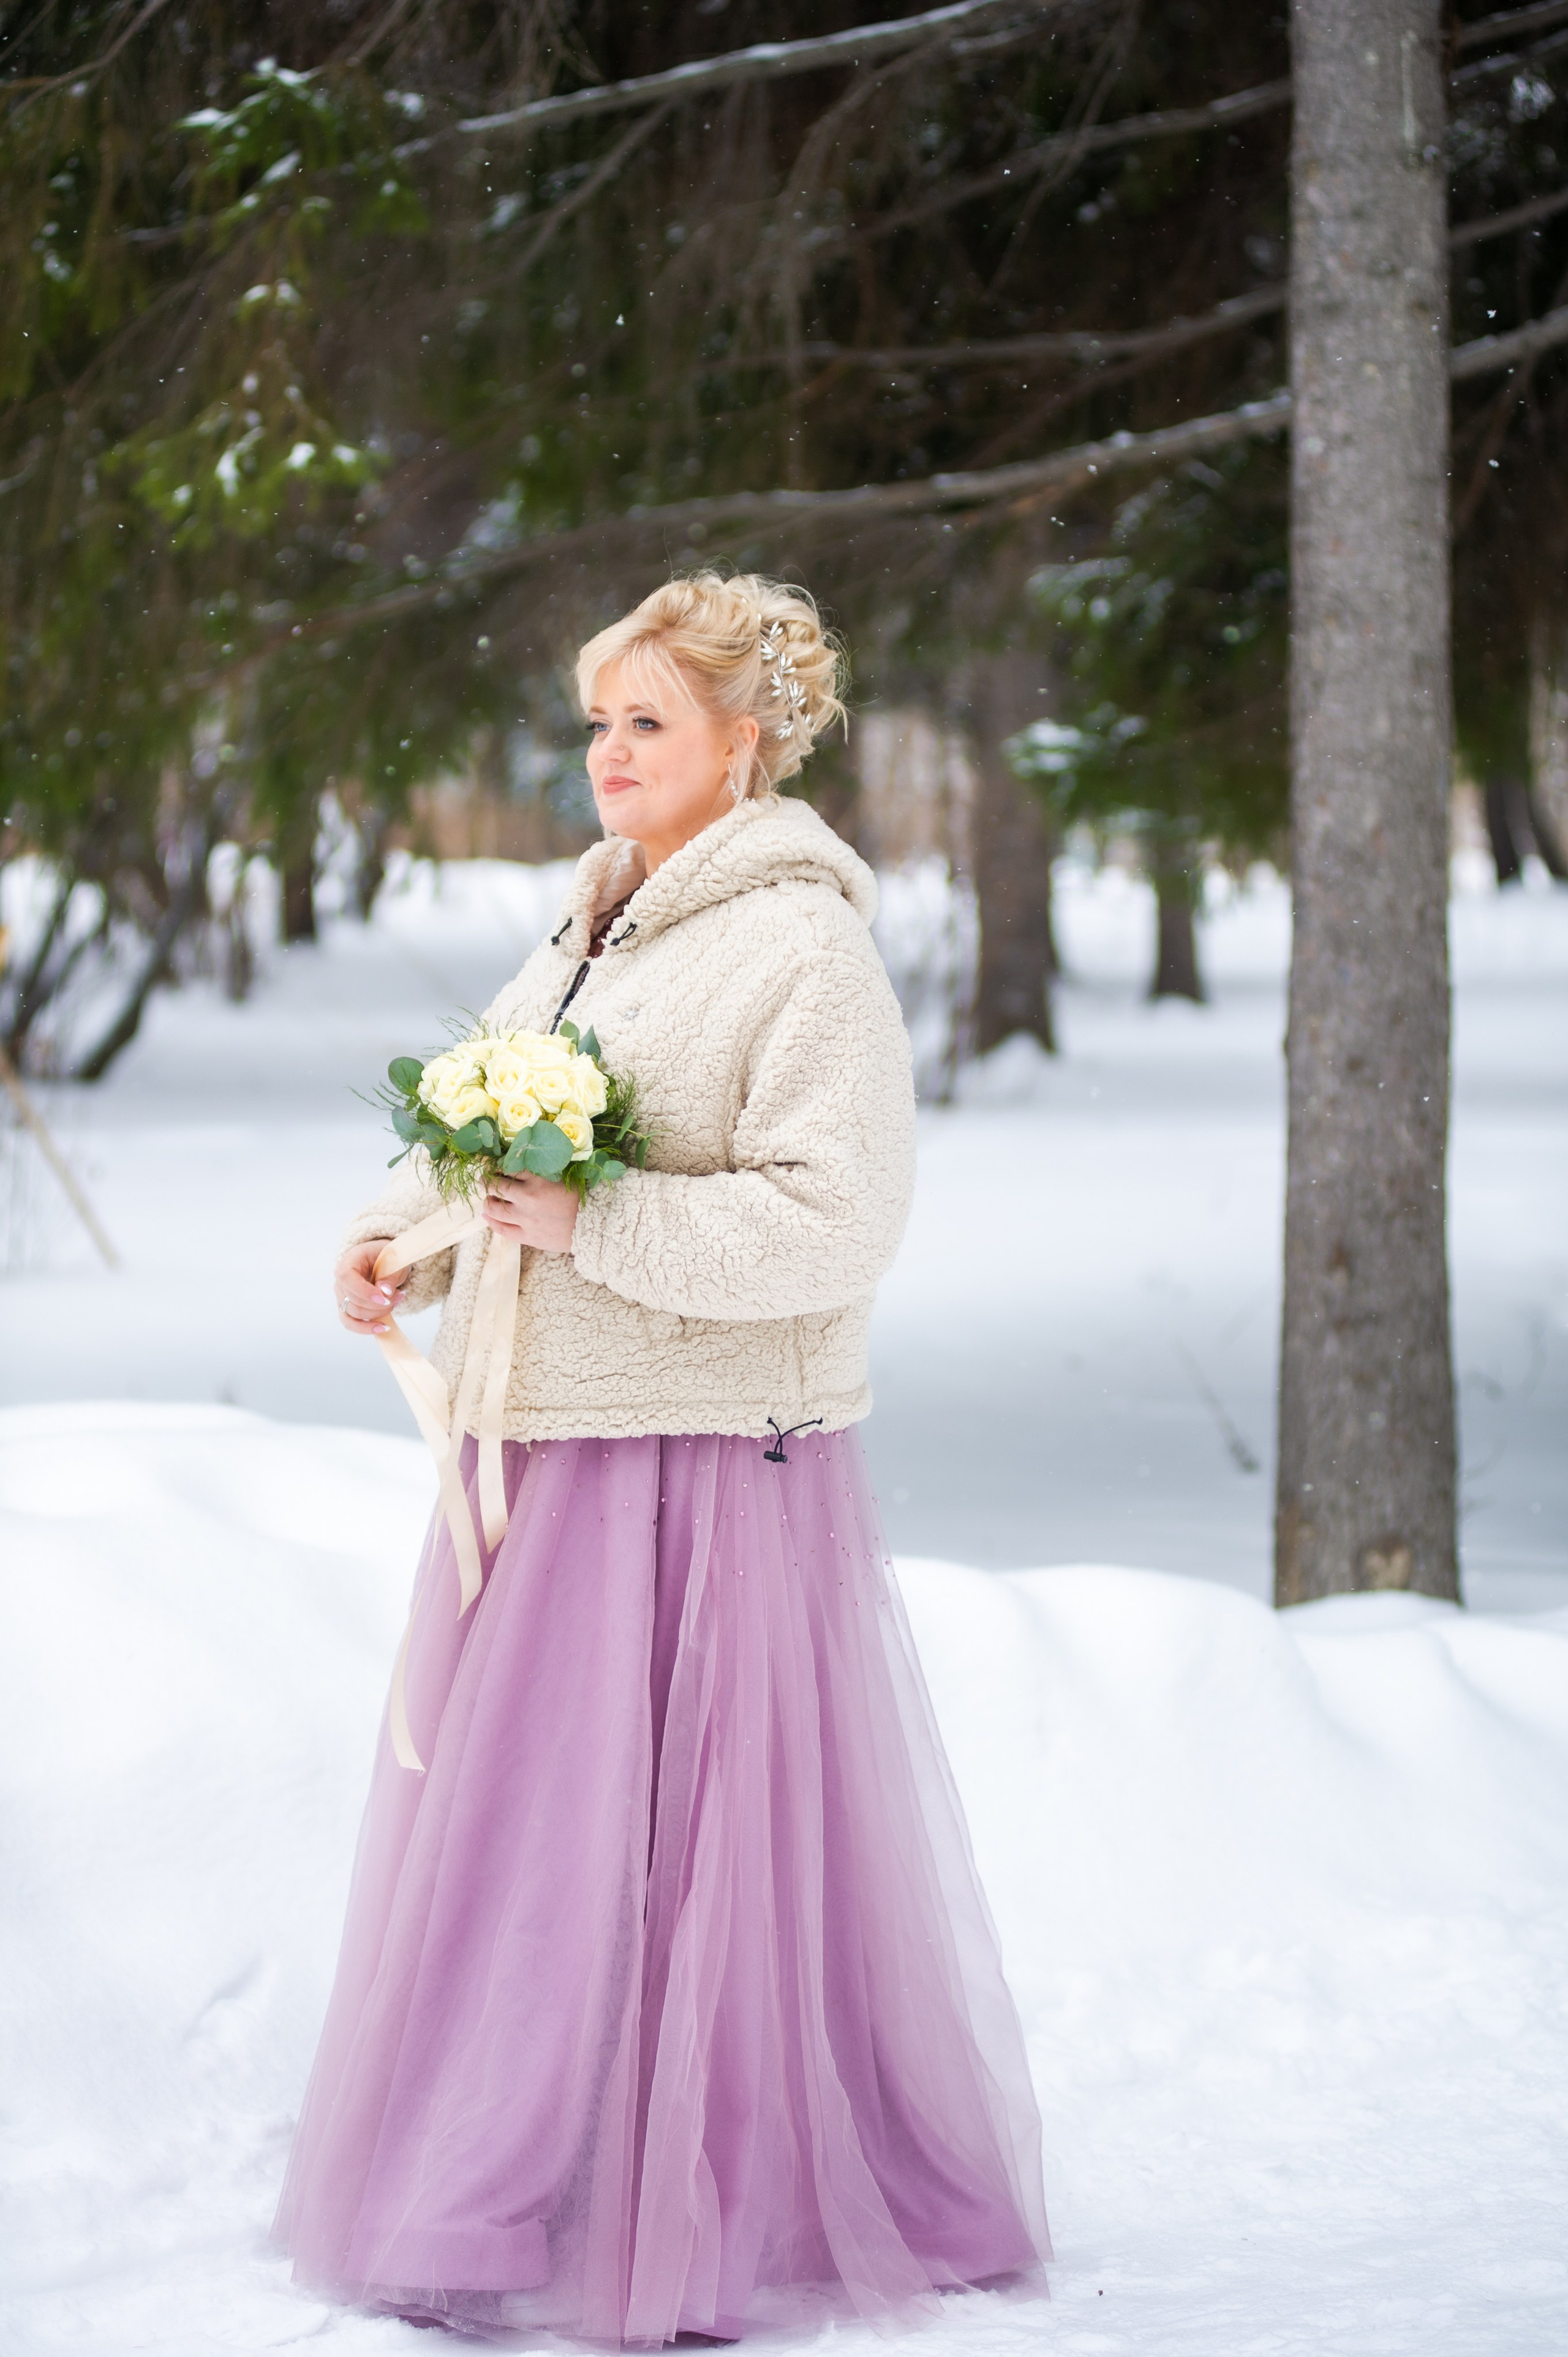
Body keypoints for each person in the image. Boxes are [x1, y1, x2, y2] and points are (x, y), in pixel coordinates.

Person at [273, 571, 1049, 2344]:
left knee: (688, 1855)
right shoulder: (591, 926)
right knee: (537, 1843)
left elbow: (838, 1225)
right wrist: (404, 1242)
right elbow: (492, 1133)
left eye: (648, 722)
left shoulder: (802, 947)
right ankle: (509, 2177)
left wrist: (598, 1223)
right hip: (547, 1442)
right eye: (597, 723)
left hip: (704, 1470)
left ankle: (715, 2196)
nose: (609, 755)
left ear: (744, 743)